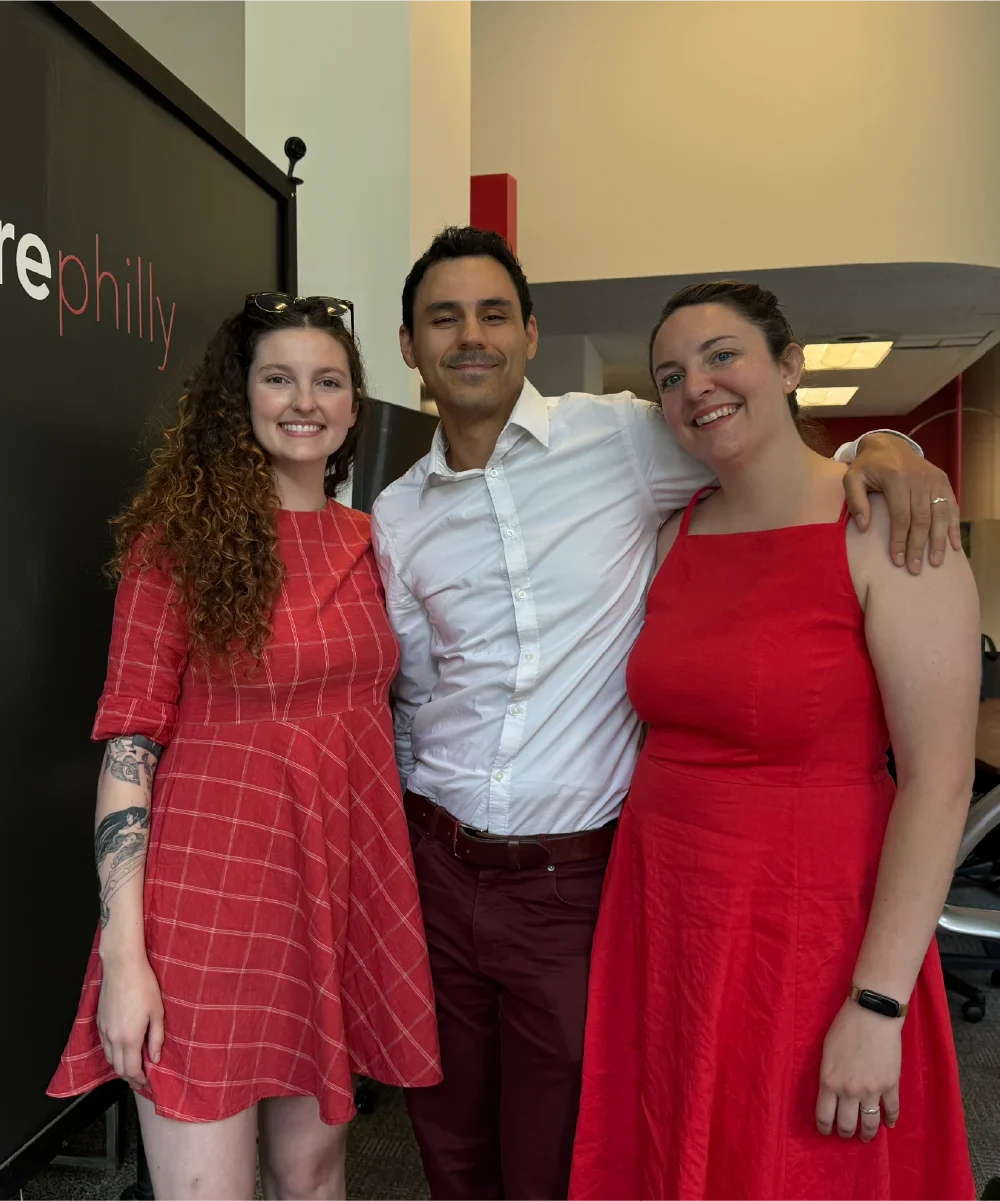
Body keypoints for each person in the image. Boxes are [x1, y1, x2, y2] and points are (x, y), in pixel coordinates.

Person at [370, 228, 961, 1201]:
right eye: (443, 317)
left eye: (490, 314)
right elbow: (419, 688)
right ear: (409, 345)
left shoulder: (622, 441)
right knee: (456, 1138)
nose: (696, 387)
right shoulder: (397, 512)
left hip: (582, 881)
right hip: (463, 872)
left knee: (562, 1154)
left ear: (528, 331)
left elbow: (767, 449)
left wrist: (882, 446)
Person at [568, 281, 978, 1201]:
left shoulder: (885, 524)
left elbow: (940, 783)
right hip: (667, 913)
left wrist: (879, 1002)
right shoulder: (674, 532)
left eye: (722, 355)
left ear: (790, 366)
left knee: (802, 1159)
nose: (695, 387)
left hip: (814, 922)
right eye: (670, 375)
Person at [49, 294, 441, 1201]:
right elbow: (129, 748)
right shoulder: (176, 546)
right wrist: (125, 957)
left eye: (327, 380)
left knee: (312, 1175)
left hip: (331, 894)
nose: (303, 399)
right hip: (204, 907)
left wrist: (851, 452)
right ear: (242, 397)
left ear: (352, 407)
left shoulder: (375, 542)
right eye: (278, 377)